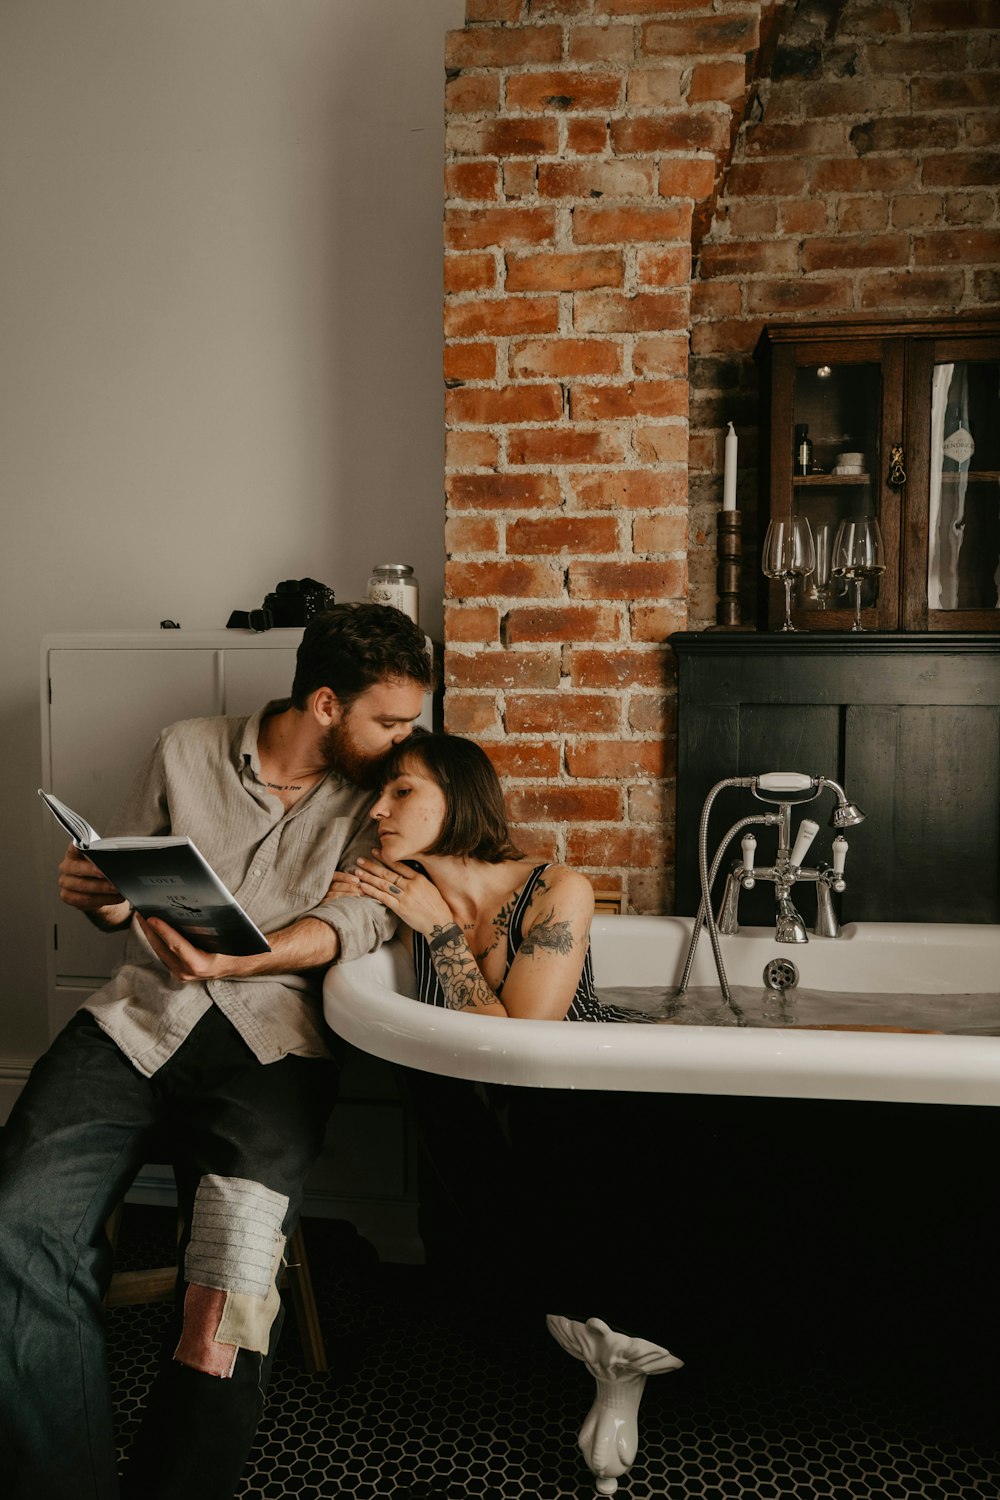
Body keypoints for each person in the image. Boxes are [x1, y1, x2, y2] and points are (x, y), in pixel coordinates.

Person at [0, 602, 432, 1500]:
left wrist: (253, 953)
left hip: (271, 1044)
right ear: (325, 702)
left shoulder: (382, 796)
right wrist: (101, 895)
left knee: (228, 1282)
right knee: (17, 1222)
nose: (403, 742)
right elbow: (122, 885)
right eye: (388, 720)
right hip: (137, 1019)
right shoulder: (183, 746)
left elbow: (359, 915)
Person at [332, 731, 650, 1022]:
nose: (377, 810)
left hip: (606, 1069)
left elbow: (518, 1049)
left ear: (458, 797)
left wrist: (440, 929)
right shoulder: (404, 897)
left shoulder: (558, 892)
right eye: (380, 794)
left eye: (402, 791)